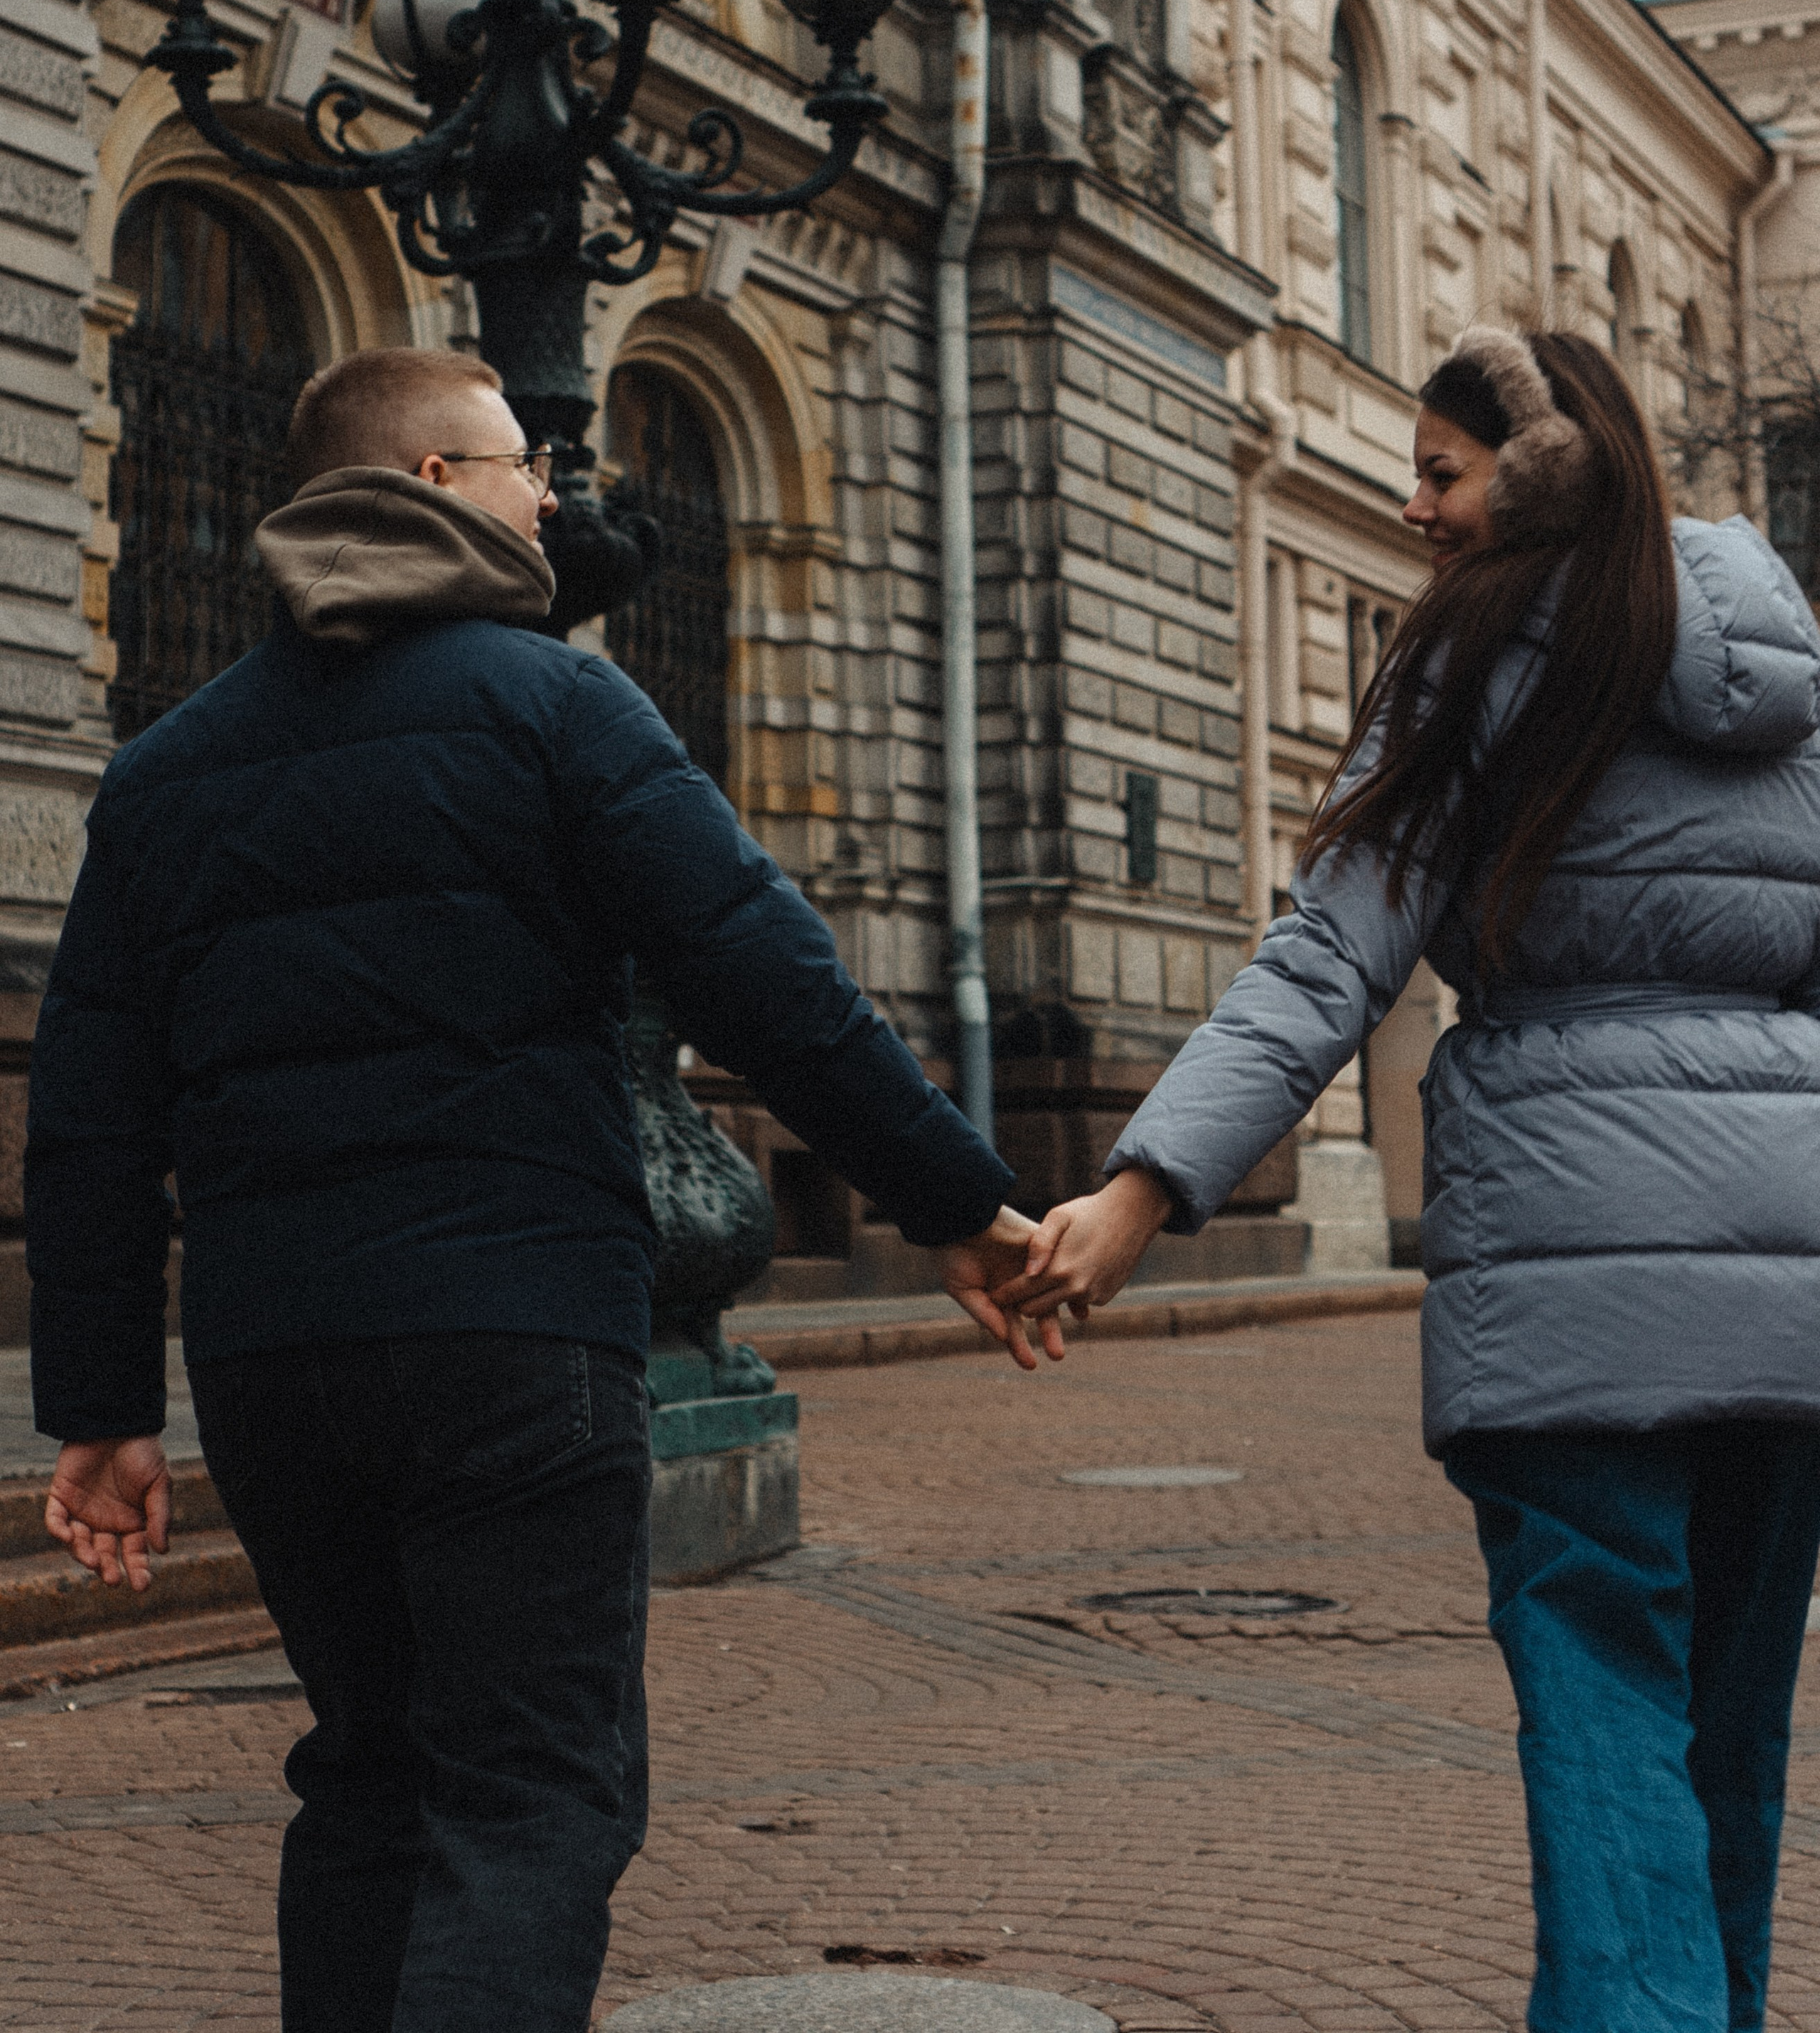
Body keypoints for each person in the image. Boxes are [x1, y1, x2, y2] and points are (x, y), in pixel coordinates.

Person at [26, 345, 1054, 2033]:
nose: (550, 497)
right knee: (528, 1792)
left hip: (273, 1358)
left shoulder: (162, 773)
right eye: (522, 465)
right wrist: (955, 1203)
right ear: (431, 482)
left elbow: (88, 1121)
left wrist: (101, 1407)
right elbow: (767, 980)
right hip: (513, 1337)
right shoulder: (560, 706)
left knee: (366, 1774)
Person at [1002, 324, 1820, 2033]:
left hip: (1568, 1276)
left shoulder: (1470, 653)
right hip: (1785, 1295)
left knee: (1602, 1728)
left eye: (1438, 471)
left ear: (1537, 468)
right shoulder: (1786, 682)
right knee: (1726, 1741)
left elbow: (1329, 956)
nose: (1413, 506)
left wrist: (1140, 1189)